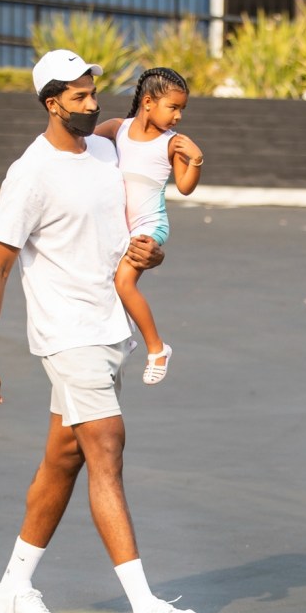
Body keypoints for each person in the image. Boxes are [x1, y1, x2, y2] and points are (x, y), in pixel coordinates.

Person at [0, 48, 200, 613]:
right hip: (66, 332)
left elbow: (130, 230)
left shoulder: (104, 148)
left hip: (109, 328)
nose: (94, 103)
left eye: (93, 92)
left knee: (64, 457)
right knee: (106, 447)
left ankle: (13, 589)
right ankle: (146, 610)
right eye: (78, 96)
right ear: (52, 104)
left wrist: (152, 254)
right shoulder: (31, 172)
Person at [95, 67, 204, 385]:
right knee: (108, 282)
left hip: (150, 224)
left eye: (182, 109)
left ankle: (157, 348)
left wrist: (196, 160)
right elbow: (83, 145)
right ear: (147, 103)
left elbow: (185, 187)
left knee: (124, 283)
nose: (178, 116)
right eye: (173, 107)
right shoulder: (117, 129)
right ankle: (124, 338)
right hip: (121, 225)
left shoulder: (172, 144)